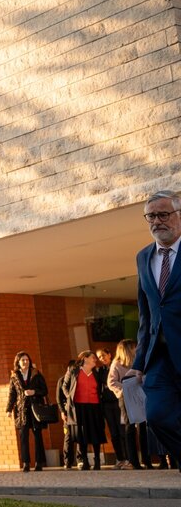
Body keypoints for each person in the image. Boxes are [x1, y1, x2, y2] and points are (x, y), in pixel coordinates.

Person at [128, 190, 181, 472]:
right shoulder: (143, 257)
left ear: (179, 216)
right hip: (159, 358)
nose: (157, 221)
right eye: (151, 216)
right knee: (157, 417)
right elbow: (146, 314)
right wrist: (138, 362)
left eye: (164, 214)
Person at [62, 351, 106, 470]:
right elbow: (64, 386)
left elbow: (101, 388)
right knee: (82, 435)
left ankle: (97, 461)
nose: (95, 360)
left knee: (95, 433)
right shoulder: (73, 370)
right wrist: (70, 398)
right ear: (85, 358)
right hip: (79, 408)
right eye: (93, 358)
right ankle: (84, 461)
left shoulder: (97, 373)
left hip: (95, 407)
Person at [5, 351, 48, 471]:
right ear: (18, 362)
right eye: (23, 360)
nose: (26, 362)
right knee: (23, 436)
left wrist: (34, 392)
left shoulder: (36, 373)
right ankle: (26, 463)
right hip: (21, 410)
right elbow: (12, 394)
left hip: (35, 409)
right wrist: (9, 409)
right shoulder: (14, 376)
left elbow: (44, 390)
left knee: (37, 435)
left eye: (27, 360)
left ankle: (39, 462)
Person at [107, 339, 146, 470]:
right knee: (129, 428)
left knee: (143, 427)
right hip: (125, 398)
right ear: (127, 349)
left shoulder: (137, 361)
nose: (136, 349)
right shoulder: (116, 364)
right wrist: (126, 388)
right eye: (134, 347)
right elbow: (111, 382)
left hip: (139, 397)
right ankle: (133, 461)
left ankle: (147, 460)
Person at [95, 348, 125, 466]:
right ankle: (119, 458)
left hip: (118, 400)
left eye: (103, 355)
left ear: (109, 354)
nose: (102, 359)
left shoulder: (116, 365)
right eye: (99, 357)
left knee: (122, 430)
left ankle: (128, 457)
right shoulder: (100, 370)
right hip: (106, 403)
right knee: (113, 432)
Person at [56, 360, 79, 469]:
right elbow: (58, 398)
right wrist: (62, 412)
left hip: (78, 411)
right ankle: (67, 461)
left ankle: (80, 459)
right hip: (67, 412)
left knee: (80, 435)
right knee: (68, 436)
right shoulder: (61, 381)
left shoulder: (78, 379)